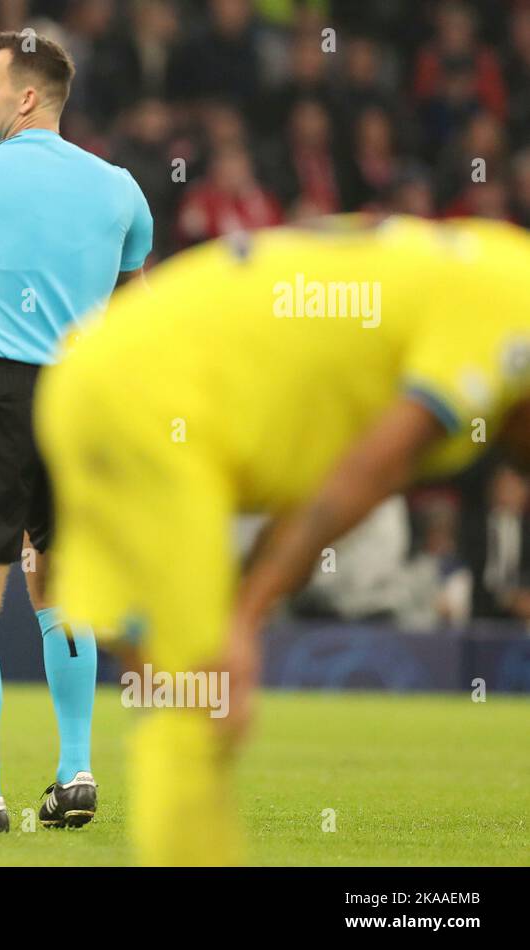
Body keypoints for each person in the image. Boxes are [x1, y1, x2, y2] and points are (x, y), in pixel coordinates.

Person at [36, 215, 530, 864]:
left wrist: (251, 594)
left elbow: (327, 490)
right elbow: (368, 469)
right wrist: (245, 612)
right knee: (200, 702)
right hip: (150, 405)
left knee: (180, 698)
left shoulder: (491, 260)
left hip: (108, 375)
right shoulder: (511, 310)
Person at [0, 30, 152, 833]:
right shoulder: (122, 189)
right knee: (60, 584)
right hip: (82, 395)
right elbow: (133, 303)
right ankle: (76, 772)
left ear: (26, 96)